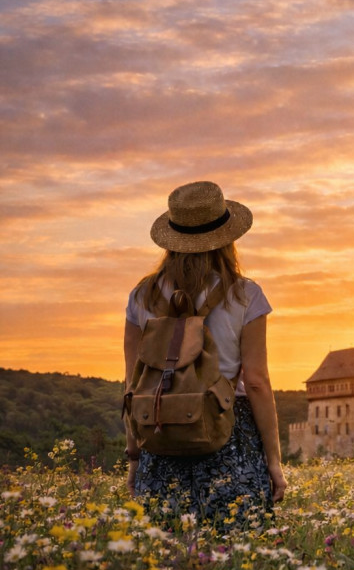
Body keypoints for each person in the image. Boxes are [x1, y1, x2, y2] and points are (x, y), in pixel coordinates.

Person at [123, 180, 287, 526]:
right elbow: (256, 382)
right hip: (229, 434)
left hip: (160, 432)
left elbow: (132, 385)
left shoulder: (141, 296)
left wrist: (135, 459)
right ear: (227, 238)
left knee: (168, 560)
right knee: (237, 553)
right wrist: (274, 461)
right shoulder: (246, 295)